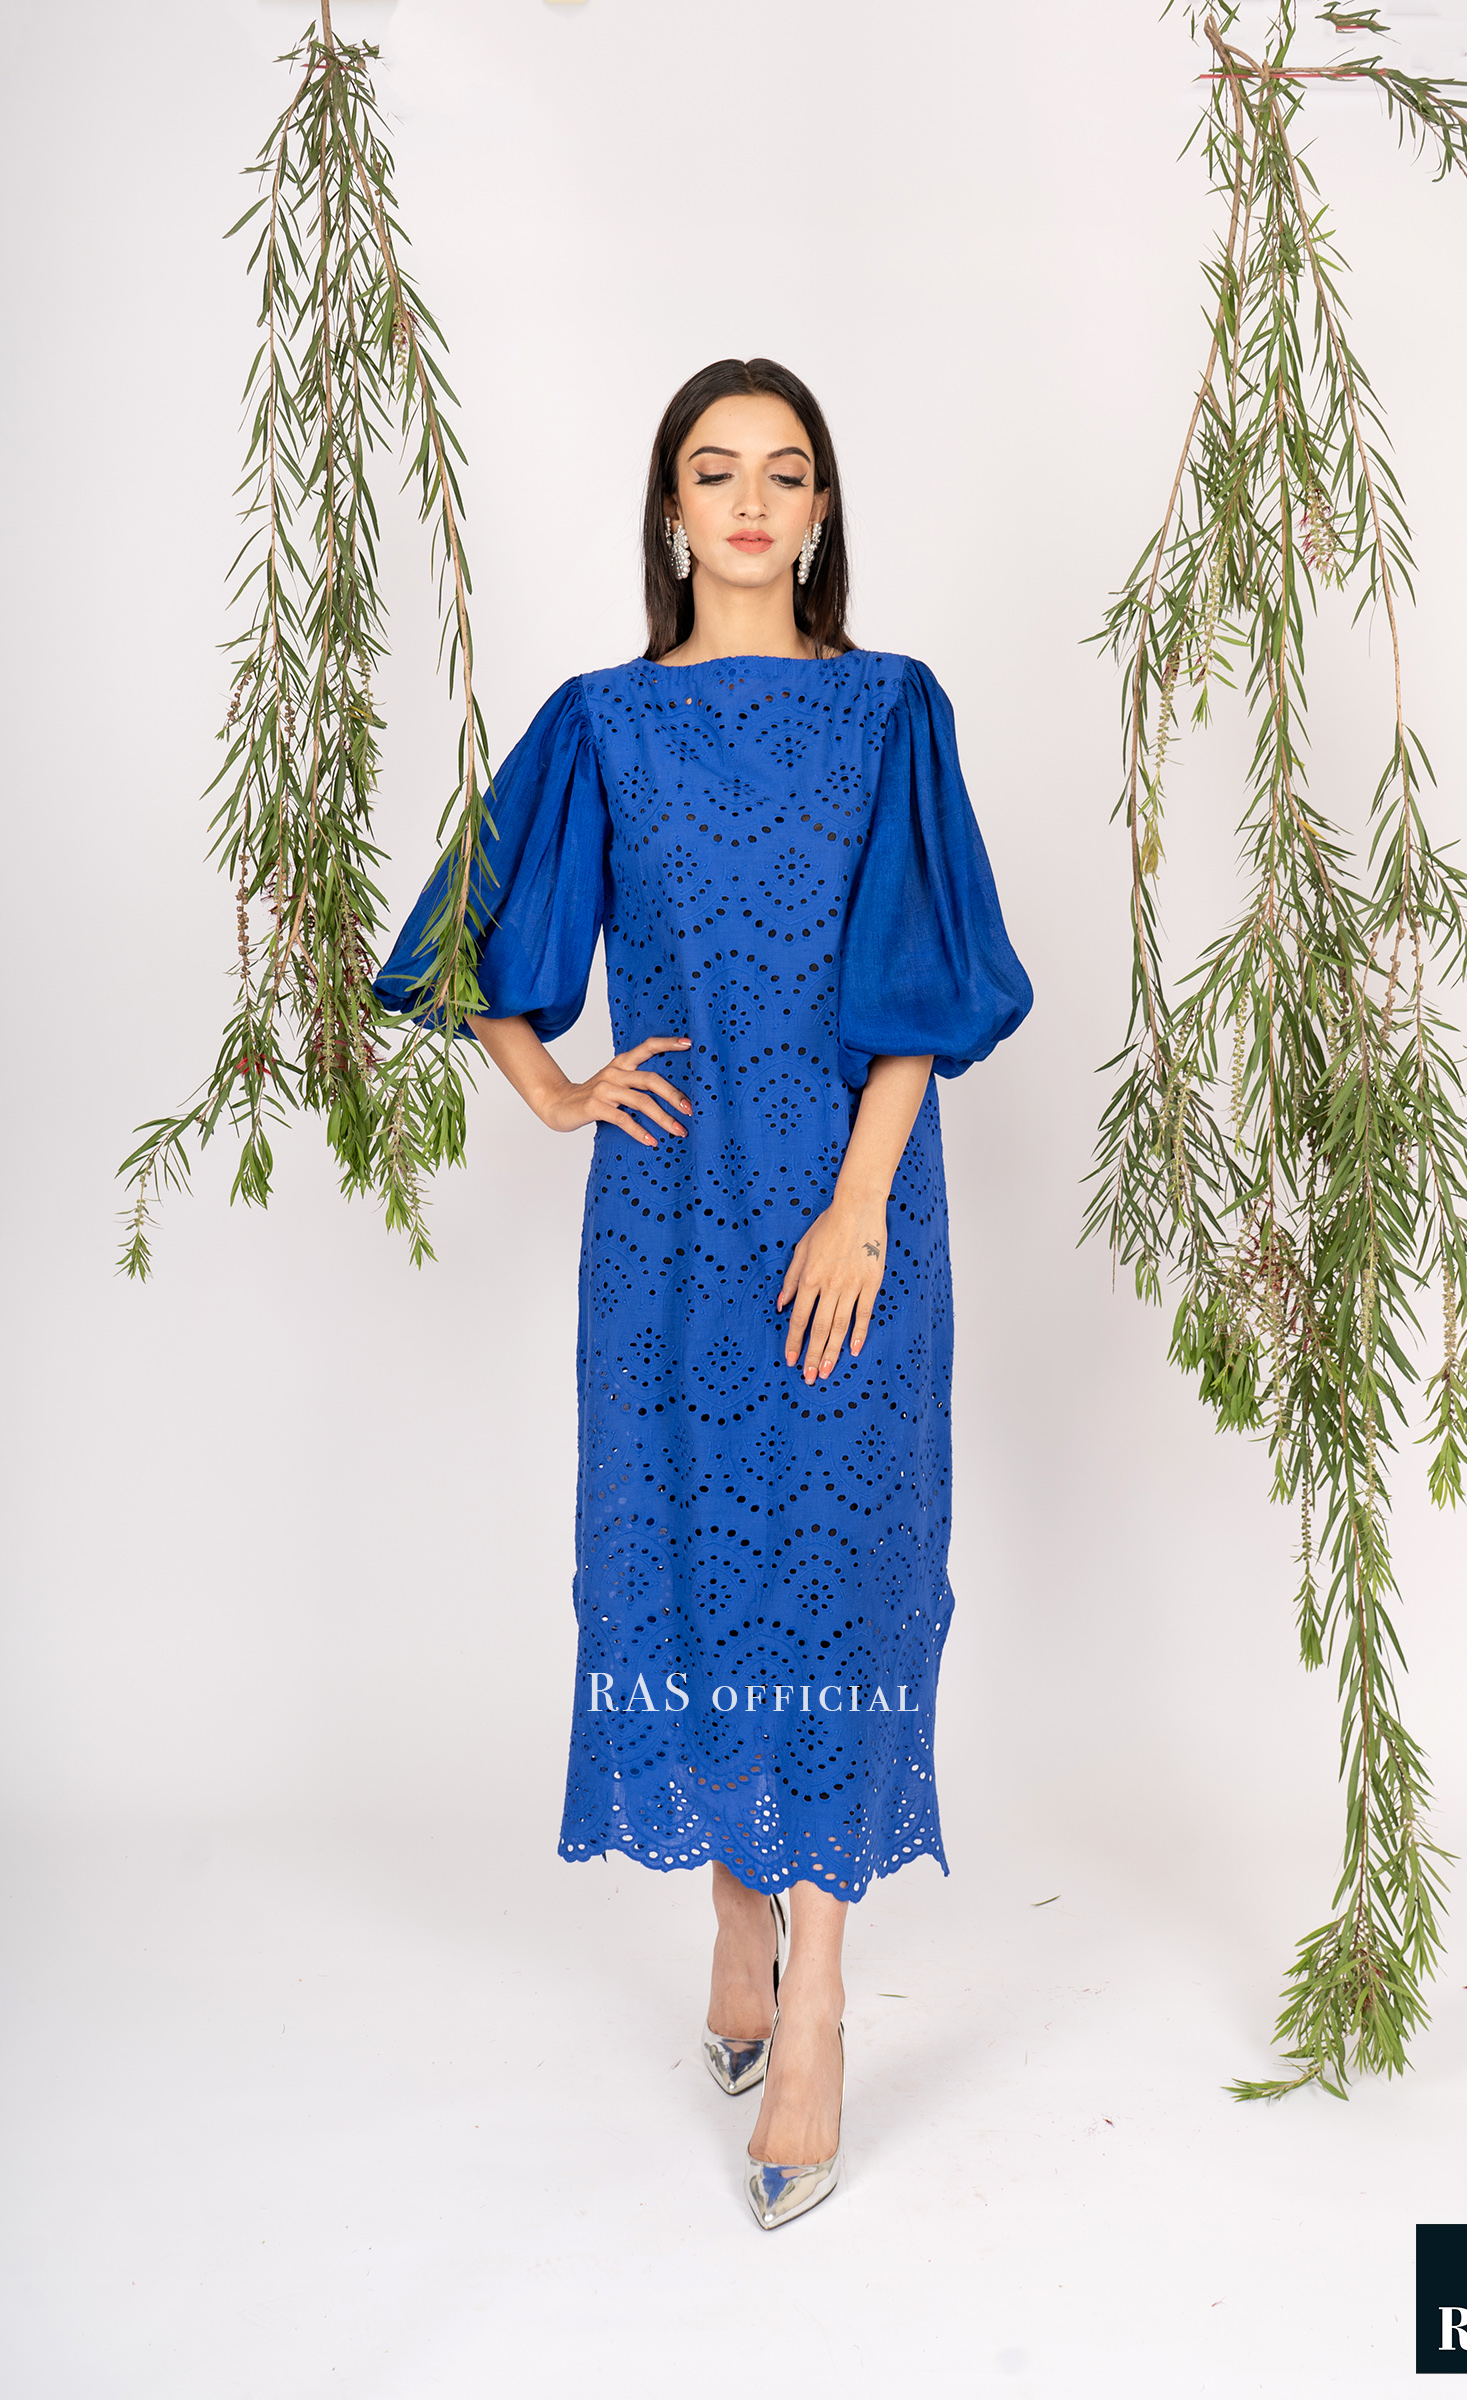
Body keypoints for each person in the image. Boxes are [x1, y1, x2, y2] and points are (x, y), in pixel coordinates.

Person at [374, 357, 1032, 2229]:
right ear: (670, 511)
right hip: (670, 1221)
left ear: (822, 513)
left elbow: (921, 989)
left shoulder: (893, 712)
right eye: (715, 471)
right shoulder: (602, 725)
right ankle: (740, 1917)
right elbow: (472, 940)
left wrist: (861, 1208)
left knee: (844, 1562)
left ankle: (814, 2000)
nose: (750, 501)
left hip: (850, 1211)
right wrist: (557, 1088)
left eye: (786, 472)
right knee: (690, 1553)